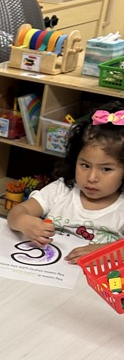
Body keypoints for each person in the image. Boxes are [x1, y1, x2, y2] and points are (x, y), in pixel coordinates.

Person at [7, 103, 124, 263]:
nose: (91, 177)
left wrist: (104, 252)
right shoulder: (62, 189)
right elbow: (18, 212)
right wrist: (22, 221)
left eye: (106, 169)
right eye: (85, 165)